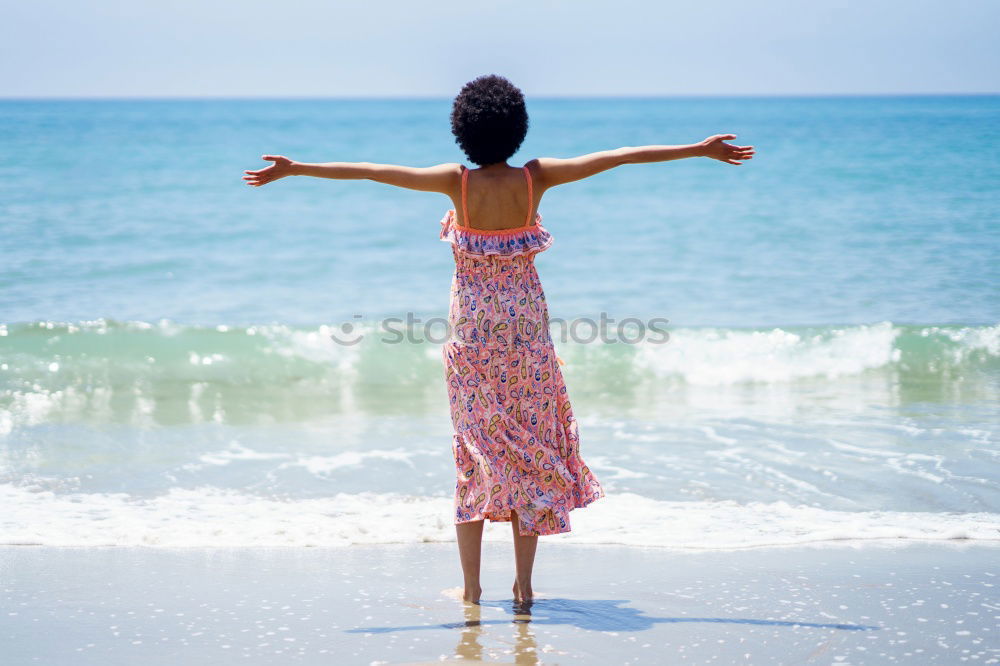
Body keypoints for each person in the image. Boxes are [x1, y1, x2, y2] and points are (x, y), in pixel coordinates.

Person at [242, 74, 754, 605]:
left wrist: (298, 168)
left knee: (474, 457)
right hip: (527, 342)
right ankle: (525, 587)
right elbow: (619, 156)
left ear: (462, 130)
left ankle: (470, 589)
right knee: (530, 455)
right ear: (518, 128)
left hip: (472, 345)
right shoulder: (536, 179)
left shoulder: (455, 183)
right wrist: (698, 149)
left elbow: (374, 172)